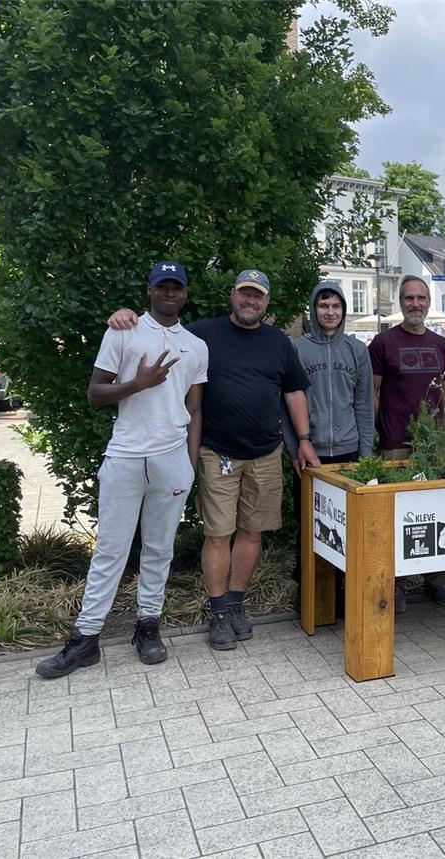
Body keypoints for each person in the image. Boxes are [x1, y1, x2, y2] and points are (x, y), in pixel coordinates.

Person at [105, 269, 319, 652]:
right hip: (217, 452)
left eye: (258, 296)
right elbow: (163, 328)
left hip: (266, 453)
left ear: (266, 302)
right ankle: (218, 610)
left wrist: (303, 440)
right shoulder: (203, 334)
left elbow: (295, 393)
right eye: (244, 294)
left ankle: (236, 604)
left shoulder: (278, 342)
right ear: (232, 296)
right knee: (218, 534)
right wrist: (125, 315)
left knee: (252, 532)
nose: (250, 301)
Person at [36, 262, 207, 678]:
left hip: (171, 461)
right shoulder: (123, 330)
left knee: (159, 549)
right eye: (162, 286)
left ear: (185, 294)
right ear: (149, 291)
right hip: (126, 456)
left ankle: (148, 626)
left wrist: (189, 465)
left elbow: (194, 407)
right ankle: (85, 639)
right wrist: (137, 383)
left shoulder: (196, 345)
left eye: (176, 287)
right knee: (111, 550)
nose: (170, 293)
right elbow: (95, 393)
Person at [369, 274, 445, 612]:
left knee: (437, 512)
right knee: (397, 515)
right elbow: (373, 392)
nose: (415, 304)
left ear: (428, 303)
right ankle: (397, 582)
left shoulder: (440, 344)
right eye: (409, 298)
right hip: (395, 442)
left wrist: (430, 417)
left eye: (421, 298)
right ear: (401, 302)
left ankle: (437, 580)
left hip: (433, 444)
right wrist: (384, 425)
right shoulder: (383, 343)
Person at [285, 283, 374, 607]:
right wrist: (295, 446)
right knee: (310, 526)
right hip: (312, 454)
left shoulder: (356, 350)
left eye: (336, 306)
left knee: (346, 528)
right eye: (324, 305)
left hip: (349, 453)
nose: (330, 312)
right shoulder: (297, 349)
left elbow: (364, 404)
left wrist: (366, 453)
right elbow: (285, 404)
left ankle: (341, 594)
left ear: (344, 311)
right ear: (314, 308)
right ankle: (308, 592)